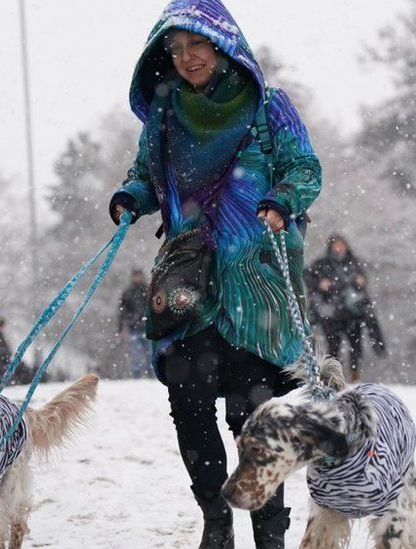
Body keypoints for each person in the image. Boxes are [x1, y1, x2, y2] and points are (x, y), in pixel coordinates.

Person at [108, 2, 321, 547]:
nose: (186, 58)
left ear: (223, 45)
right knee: (190, 409)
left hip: (257, 291)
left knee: (255, 419)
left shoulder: (270, 107)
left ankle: (269, 532)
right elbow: (144, 177)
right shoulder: (164, 114)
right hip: (189, 288)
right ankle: (215, 521)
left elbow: (304, 168)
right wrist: (131, 199)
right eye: (175, 49)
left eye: (196, 45)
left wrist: (281, 198)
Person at [304, 234, 386, 382]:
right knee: (333, 348)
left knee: (356, 347)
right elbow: (308, 276)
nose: (339, 248)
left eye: (341, 244)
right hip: (331, 315)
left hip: (352, 314)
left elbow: (362, 282)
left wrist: (360, 282)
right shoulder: (322, 264)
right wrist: (320, 284)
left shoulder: (353, 263)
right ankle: (333, 378)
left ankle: (355, 377)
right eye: (336, 244)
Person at [118, 269, 152, 378]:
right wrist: (120, 329)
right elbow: (122, 312)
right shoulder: (128, 292)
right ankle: (137, 376)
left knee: (149, 354)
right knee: (136, 355)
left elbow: (153, 308)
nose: (137, 278)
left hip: (146, 327)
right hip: (134, 327)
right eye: (135, 276)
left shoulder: (148, 290)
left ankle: (152, 376)